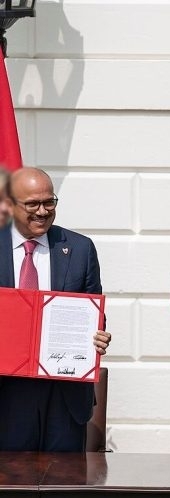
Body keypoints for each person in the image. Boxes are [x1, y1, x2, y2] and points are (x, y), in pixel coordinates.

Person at [0, 167, 112, 452]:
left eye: (49, 202)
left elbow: (94, 314)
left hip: (65, 395)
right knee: (12, 477)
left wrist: (99, 335)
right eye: (32, 204)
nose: (42, 211)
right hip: (8, 395)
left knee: (65, 475)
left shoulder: (80, 248)